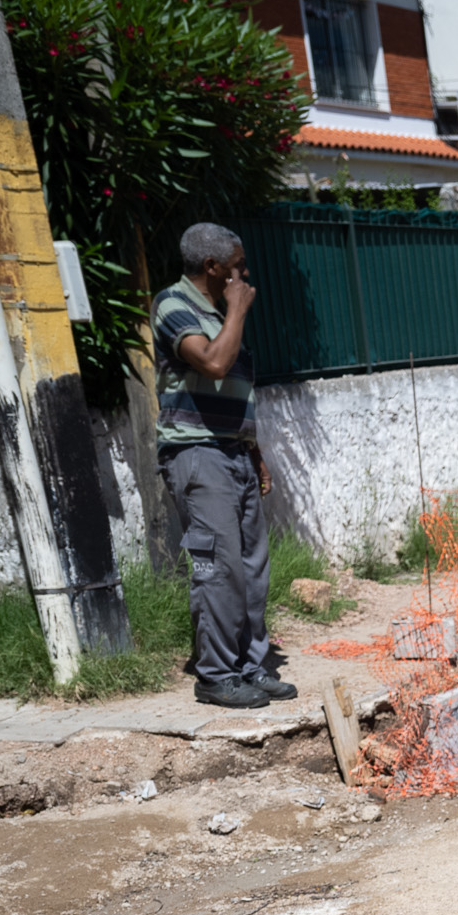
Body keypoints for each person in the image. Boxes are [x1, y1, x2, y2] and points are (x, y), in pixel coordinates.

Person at [153, 222, 287, 710]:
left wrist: (254, 452)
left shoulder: (216, 311)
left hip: (234, 453)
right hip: (197, 455)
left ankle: (251, 666)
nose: (244, 275)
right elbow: (212, 364)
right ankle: (215, 675)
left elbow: (231, 398)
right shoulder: (174, 306)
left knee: (252, 569)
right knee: (220, 569)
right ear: (212, 268)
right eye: (236, 267)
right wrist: (236, 310)